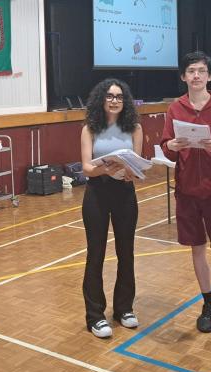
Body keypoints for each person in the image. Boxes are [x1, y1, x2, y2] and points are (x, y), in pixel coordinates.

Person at [160, 51, 211, 338]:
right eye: (191, 71)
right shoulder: (175, 108)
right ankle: (207, 304)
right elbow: (166, 146)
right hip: (187, 190)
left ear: (210, 76)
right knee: (197, 249)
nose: (196, 75)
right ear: (183, 76)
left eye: (201, 71)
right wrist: (174, 145)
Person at [79, 78, 143, 338]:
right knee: (96, 254)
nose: (115, 100)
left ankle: (124, 309)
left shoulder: (135, 128)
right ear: (101, 100)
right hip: (97, 193)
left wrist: (130, 172)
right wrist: (106, 167)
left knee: (126, 252)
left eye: (119, 96)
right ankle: (95, 316)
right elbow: (86, 168)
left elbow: (138, 166)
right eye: (109, 96)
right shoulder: (89, 128)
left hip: (125, 193)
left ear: (124, 101)